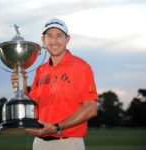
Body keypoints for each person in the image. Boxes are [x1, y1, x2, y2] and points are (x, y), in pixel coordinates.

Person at [11, 18, 98, 150]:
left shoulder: (81, 67)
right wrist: (22, 85)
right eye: (49, 36)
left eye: (59, 36)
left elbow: (90, 108)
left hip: (68, 143)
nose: (54, 41)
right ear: (43, 40)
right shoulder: (41, 70)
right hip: (40, 143)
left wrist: (56, 127)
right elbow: (33, 106)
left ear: (67, 39)